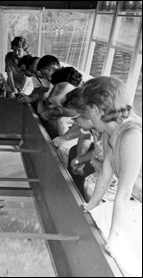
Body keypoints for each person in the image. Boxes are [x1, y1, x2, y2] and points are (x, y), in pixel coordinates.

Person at [82, 77, 142, 277]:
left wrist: (113, 237)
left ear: (98, 110)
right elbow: (105, 175)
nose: (89, 117)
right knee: (100, 215)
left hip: (135, 198)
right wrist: (90, 206)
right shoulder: (110, 131)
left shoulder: (131, 135)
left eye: (89, 111)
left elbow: (123, 194)